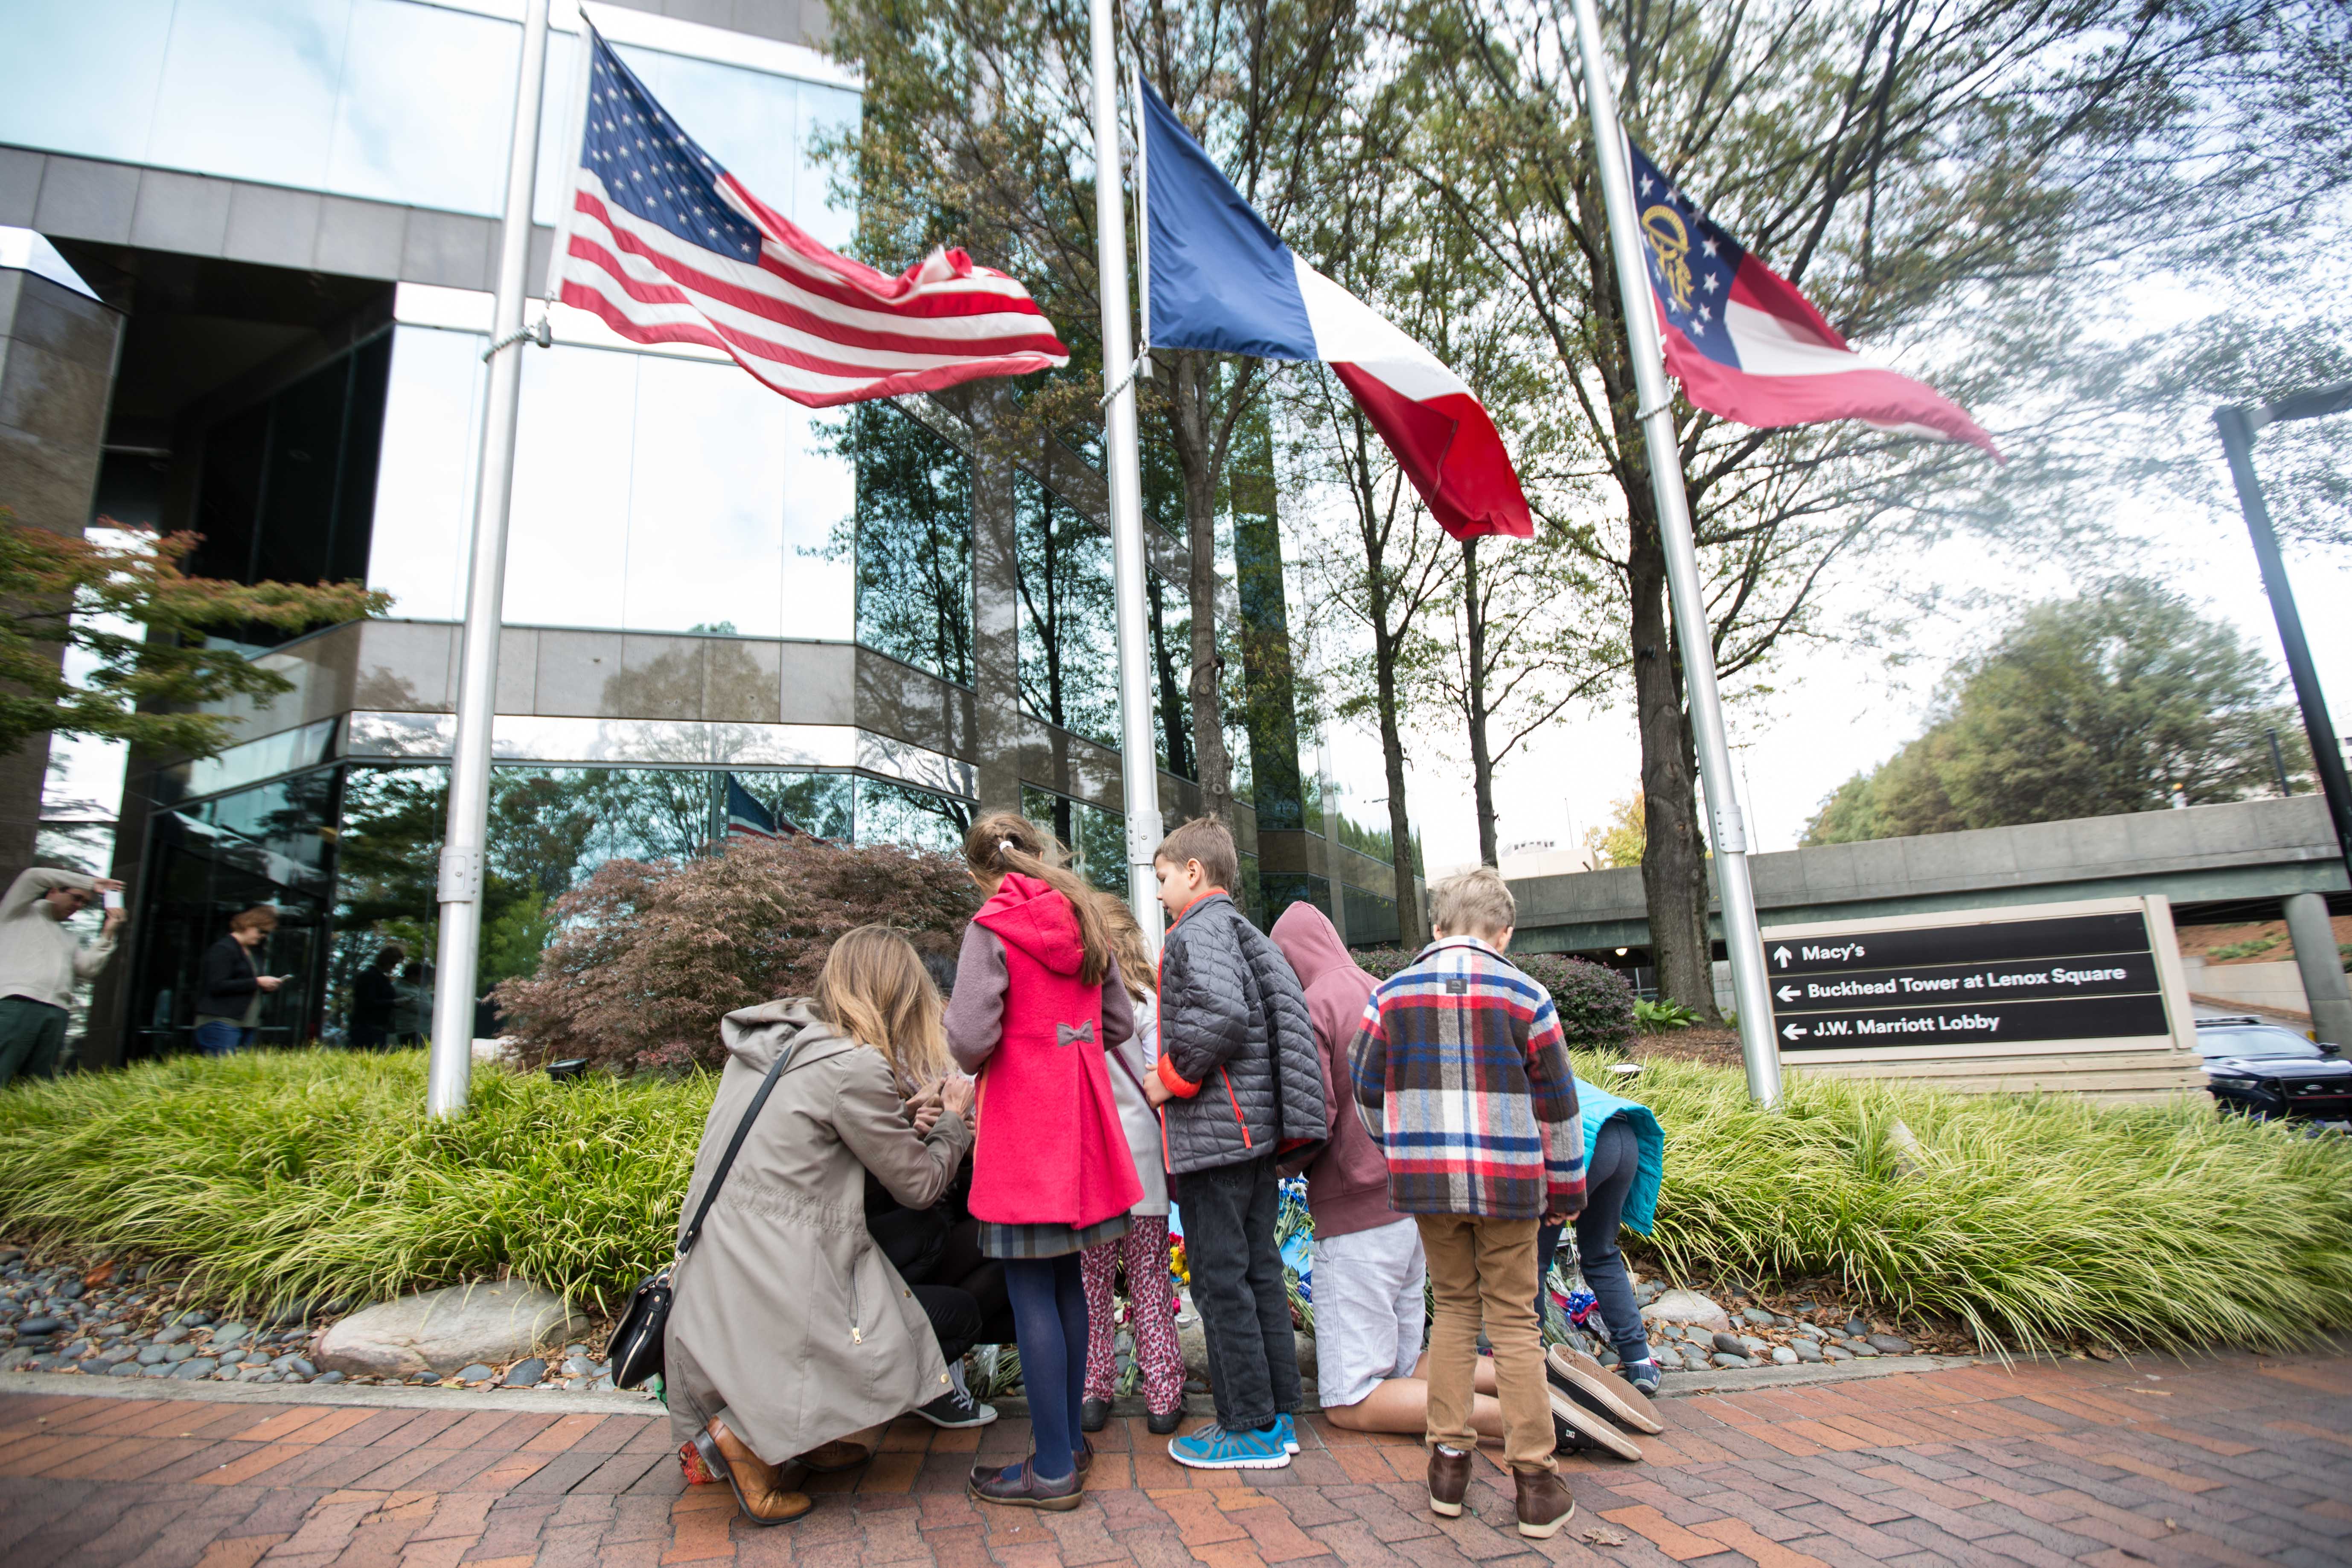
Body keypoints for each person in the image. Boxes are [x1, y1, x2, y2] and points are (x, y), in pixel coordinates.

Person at [667, 924, 977, 1528]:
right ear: (895, 996)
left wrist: (901, 1119)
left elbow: (804, 1141)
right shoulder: (854, 1065)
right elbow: (918, 1186)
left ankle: (804, 1433)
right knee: (912, 1320)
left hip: (724, 1259)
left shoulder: (782, 1044)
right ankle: (745, 1439)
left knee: (906, 1256)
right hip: (778, 1272)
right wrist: (954, 1123)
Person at [1351, 866, 1586, 1539]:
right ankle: (1536, 1483)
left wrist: (1399, 1143)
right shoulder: (1527, 994)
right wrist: (1565, 1188)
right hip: (1510, 1183)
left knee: (1452, 1310)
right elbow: (1560, 1105)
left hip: (1427, 1180)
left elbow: (1364, 1083)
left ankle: (1448, 1465)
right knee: (1514, 1323)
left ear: (1436, 925)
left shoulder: (1391, 995)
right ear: (1504, 931)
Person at [944, 812, 1143, 1510]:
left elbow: (968, 1040)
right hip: (1082, 1128)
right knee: (1066, 1288)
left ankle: (1054, 1462)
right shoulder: (1085, 919)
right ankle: (1068, 1442)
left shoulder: (990, 930)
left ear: (981, 873)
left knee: (1032, 1292)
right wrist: (1070, 1030)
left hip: (1025, 1134)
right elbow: (1117, 1025)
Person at [1141, 817, 1324, 1471]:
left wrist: (1168, 1078)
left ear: (1193, 871)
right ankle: (1277, 1412)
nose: (1159, 892)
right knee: (1258, 1269)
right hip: (1254, 1138)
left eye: (1163, 877)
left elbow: (1221, 1014)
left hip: (1216, 1141)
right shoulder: (1243, 929)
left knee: (1221, 1280)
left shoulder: (1196, 931)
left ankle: (1248, 1426)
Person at [1078, 894, 1185, 1437]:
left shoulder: (1077, 1006)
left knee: (1091, 1286)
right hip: (1141, 1163)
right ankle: (1163, 1396)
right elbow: (1157, 1082)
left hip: (1092, 1167)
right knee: (1149, 1282)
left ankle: (1093, 1392)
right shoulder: (1146, 1002)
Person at [1534, 1074, 1667, 1399]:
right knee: (1601, 1252)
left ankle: (1529, 1359)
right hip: (1624, 1134)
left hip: (1584, 1139)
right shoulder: (1556, 1066)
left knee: (1532, 1260)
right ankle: (1640, 1361)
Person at [0, 867, 124, 1089]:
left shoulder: (69, 937)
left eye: (84, 903)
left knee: (36, 1090)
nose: (78, 906)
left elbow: (88, 970)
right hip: (17, 1004)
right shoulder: (16, 911)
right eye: (76, 898)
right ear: (54, 890)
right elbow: (33, 876)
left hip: (57, 1013)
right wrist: (92, 883)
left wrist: (108, 932)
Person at [192, 907, 282, 1056]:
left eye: (267, 934)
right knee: (221, 1073)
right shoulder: (224, 949)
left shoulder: (252, 953)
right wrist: (257, 982)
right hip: (221, 1022)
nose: (263, 937)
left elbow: (247, 983)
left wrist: (265, 986)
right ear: (248, 925)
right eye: (261, 931)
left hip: (247, 1023)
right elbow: (216, 985)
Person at [349, 945, 403, 1048]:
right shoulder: (370, 977)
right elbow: (367, 1002)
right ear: (385, 961)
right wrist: (394, 1003)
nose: (394, 967)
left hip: (378, 1027)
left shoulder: (381, 978)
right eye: (393, 963)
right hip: (367, 1027)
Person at [390, 959, 433, 1046]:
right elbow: (427, 1010)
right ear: (413, 976)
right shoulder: (401, 990)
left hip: (420, 1031)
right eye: (422, 977)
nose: (424, 980)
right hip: (411, 1032)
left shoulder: (412, 987)